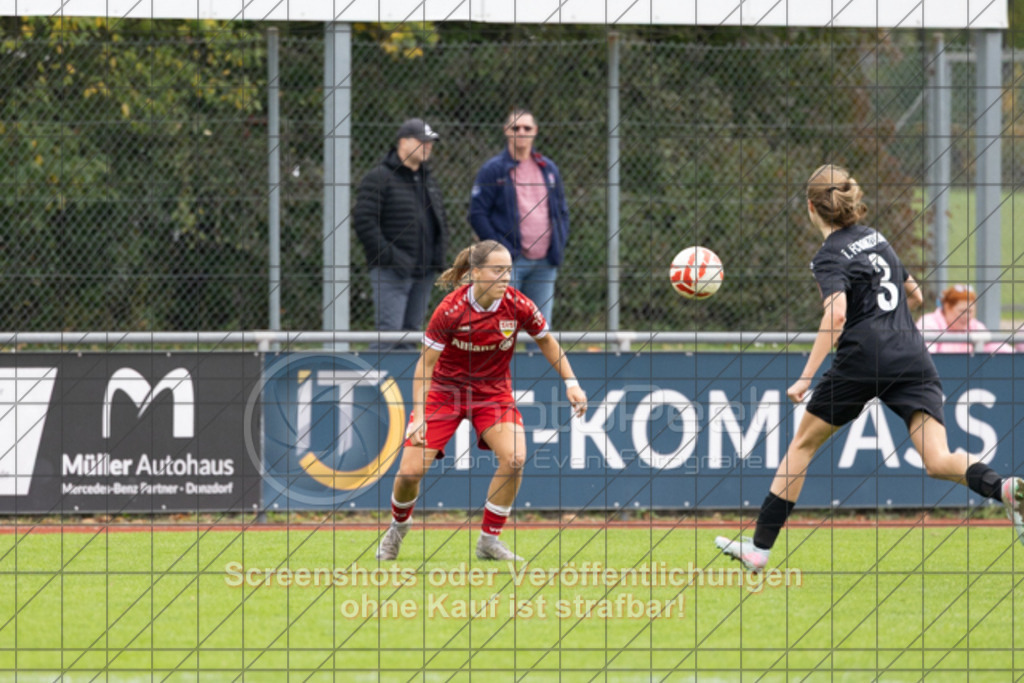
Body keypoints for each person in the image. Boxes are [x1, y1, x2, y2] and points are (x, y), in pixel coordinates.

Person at [715, 165, 1024, 572]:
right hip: (911, 354)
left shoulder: (827, 256)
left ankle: (759, 549)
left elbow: (836, 316)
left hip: (863, 358)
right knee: (937, 458)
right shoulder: (876, 238)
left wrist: (805, 378)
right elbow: (914, 294)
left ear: (811, 207)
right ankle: (1004, 488)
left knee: (802, 446)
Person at [376, 240, 587, 562]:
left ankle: (489, 540)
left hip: (492, 393)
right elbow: (425, 365)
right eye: (497, 270)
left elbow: (546, 340)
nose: (505, 277)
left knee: (515, 458)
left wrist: (571, 383)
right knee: (409, 473)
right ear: (476, 273)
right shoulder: (450, 309)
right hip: (444, 393)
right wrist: (418, 416)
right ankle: (397, 529)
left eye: (508, 271)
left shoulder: (518, 305)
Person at [353, 118, 449, 350]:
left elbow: (439, 220)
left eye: (430, 142)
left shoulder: (428, 180)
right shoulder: (379, 177)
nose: (427, 146)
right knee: (388, 336)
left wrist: (437, 257)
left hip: (423, 272)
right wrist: (390, 257)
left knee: (410, 337)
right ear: (403, 142)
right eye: (422, 141)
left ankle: (403, 387)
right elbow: (364, 221)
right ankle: (370, 384)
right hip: (392, 271)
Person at [469, 108, 570, 326]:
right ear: (506, 131)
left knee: (541, 329)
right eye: (516, 127)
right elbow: (477, 214)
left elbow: (561, 212)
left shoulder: (548, 169)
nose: (521, 132)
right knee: (500, 326)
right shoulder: (493, 170)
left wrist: (558, 243)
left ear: (535, 131)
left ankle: (536, 363)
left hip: (545, 262)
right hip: (508, 263)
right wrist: (500, 249)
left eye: (527, 128)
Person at [917, 284, 1009, 354]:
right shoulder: (928, 324)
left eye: (970, 312)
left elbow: (1002, 349)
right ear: (947, 307)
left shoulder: (975, 326)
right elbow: (927, 357)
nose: (967, 316)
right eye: (962, 311)